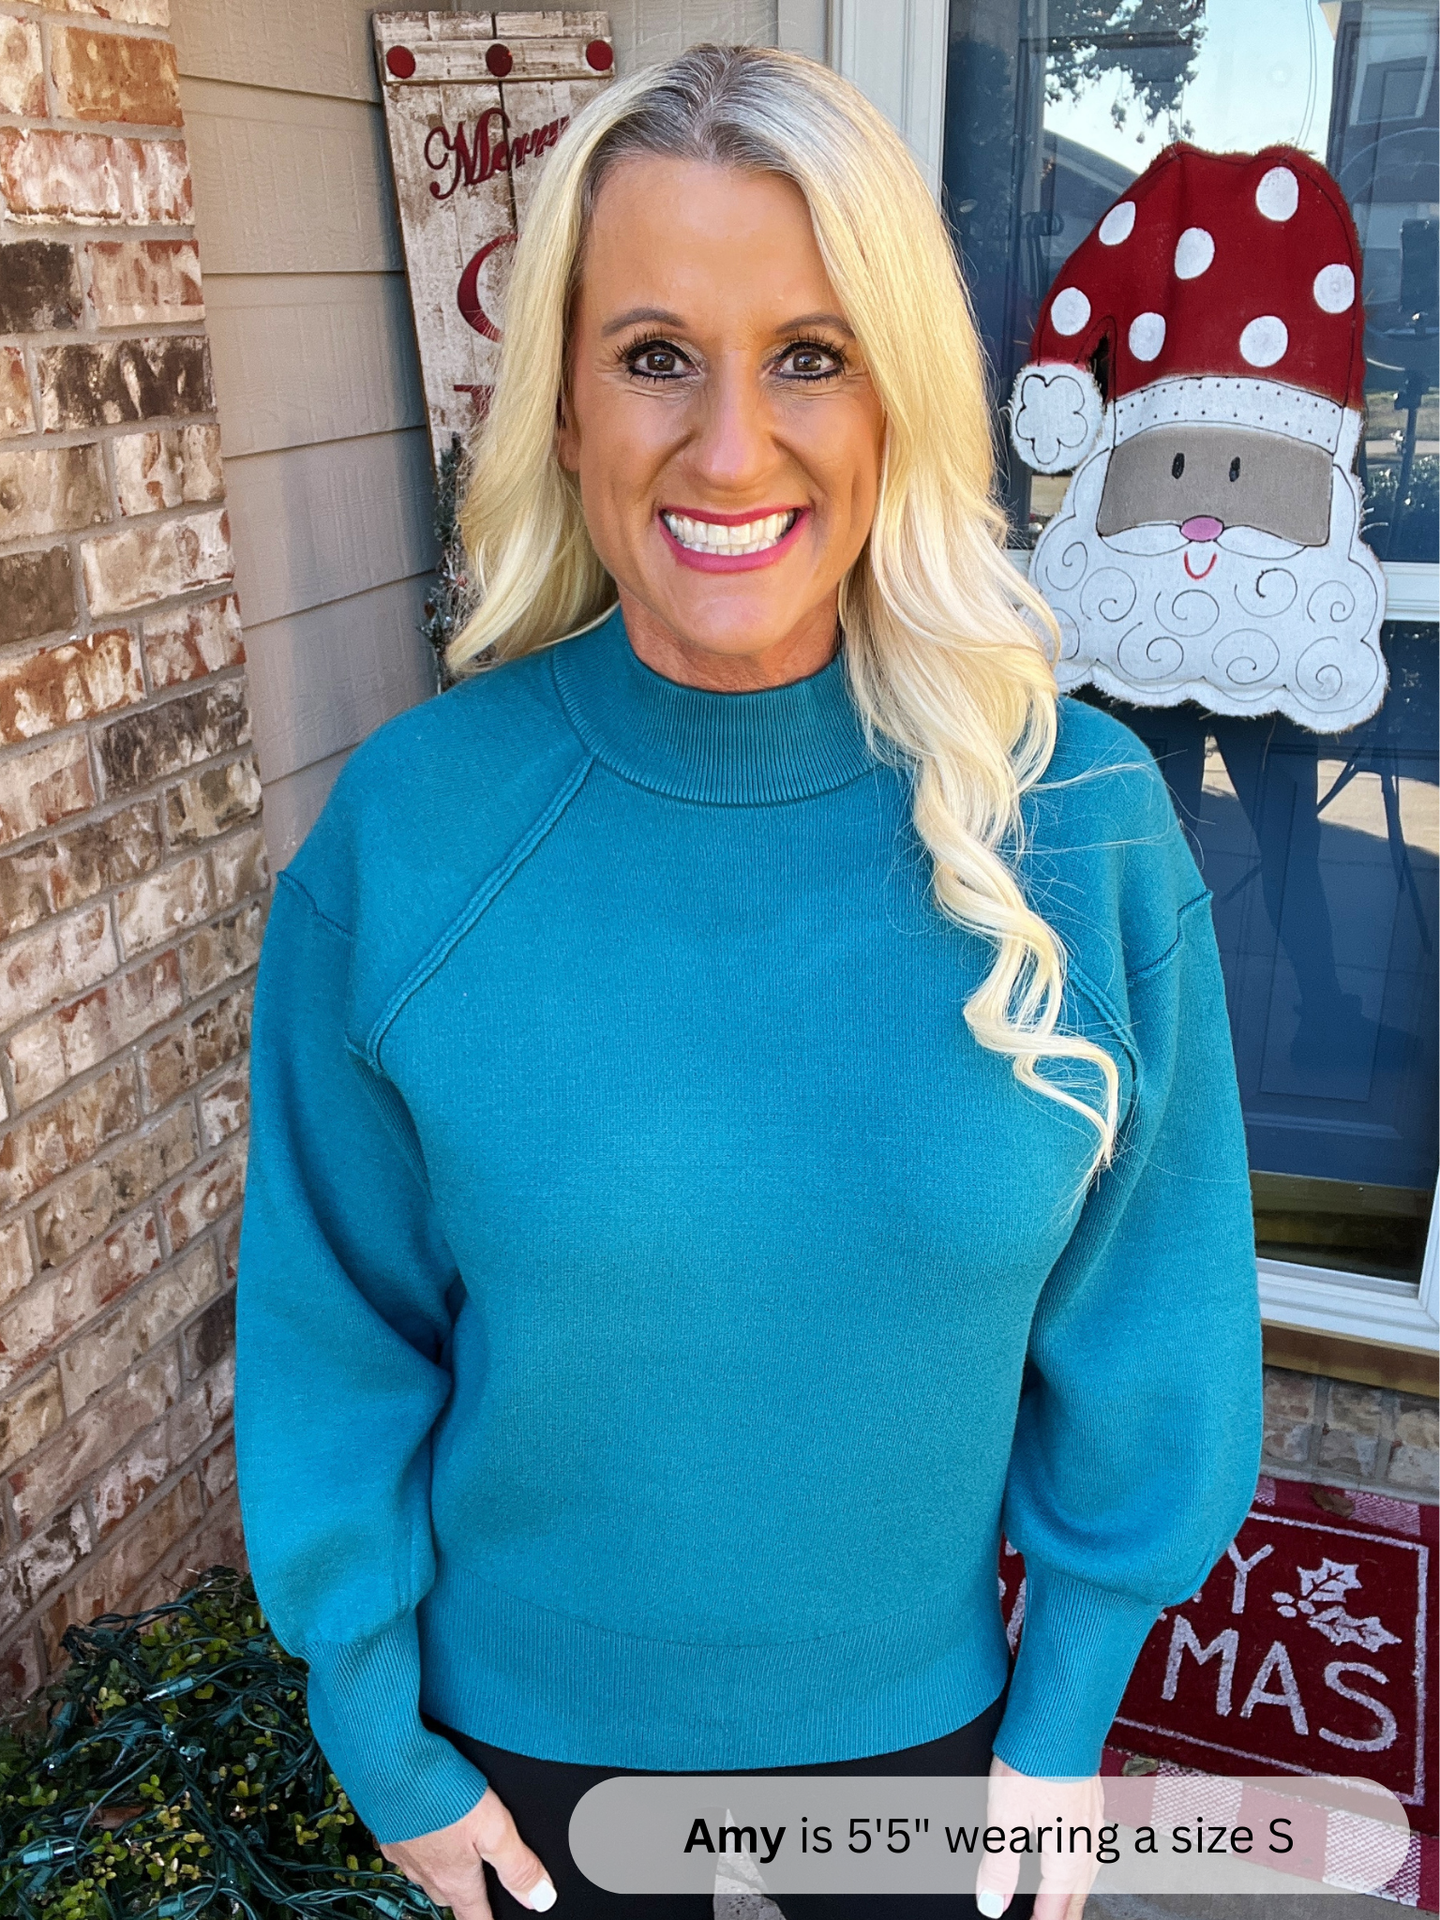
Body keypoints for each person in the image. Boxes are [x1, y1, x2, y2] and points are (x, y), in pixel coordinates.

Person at [233, 43, 1263, 1920]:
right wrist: (381, 1744)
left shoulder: (1084, 831)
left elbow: (1155, 1323)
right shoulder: (416, 838)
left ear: (900, 400)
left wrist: (1060, 1735)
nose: (728, 449)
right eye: (652, 357)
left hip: (941, 1774)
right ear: (558, 404)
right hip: (513, 1789)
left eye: (809, 354)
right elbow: (336, 1331)